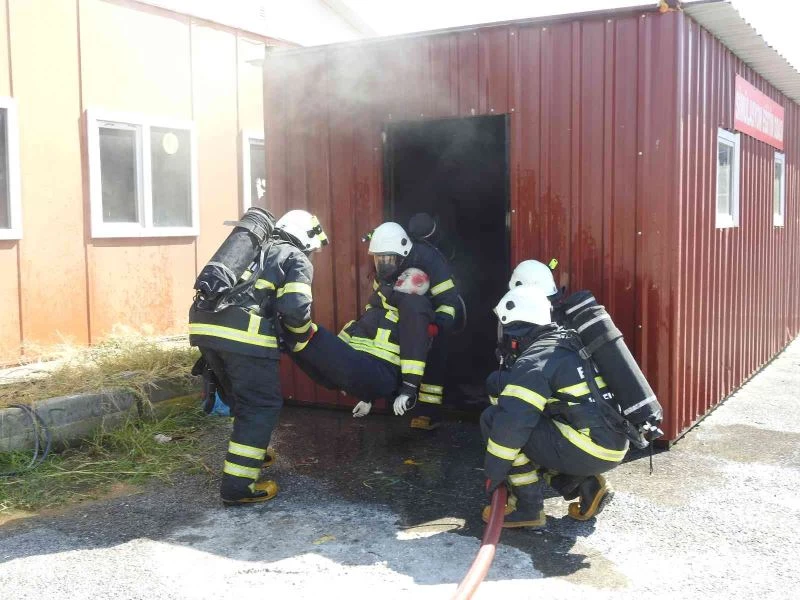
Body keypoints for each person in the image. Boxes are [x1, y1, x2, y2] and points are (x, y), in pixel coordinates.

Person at [189, 209, 328, 506]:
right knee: (260, 404)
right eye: (313, 248)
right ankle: (238, 488)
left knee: (242, 396)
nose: (313, 254)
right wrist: (303, 337)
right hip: (242, 334)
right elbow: (296, 308)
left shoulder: (255, 249)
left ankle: (255, 450)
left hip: (205, 326)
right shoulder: (295, 257)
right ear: (305, 239)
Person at [481, 286, 628, 529]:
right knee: (538, 426)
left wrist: (494, 476)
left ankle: (528, 509)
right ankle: (587, 485)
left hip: (588, 447)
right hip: (611, 441)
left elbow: (511, 428)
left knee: (496, 421)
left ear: (516, 329)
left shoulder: (534, 361)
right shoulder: (567, 341)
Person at [290, 268, 435, 417]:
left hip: (381, 373)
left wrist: (408, 389)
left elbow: (414, 348)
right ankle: (288, 340)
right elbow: (347, 340)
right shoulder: (376, 309)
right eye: (401, 274)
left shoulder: (414, 309)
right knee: (319, 370)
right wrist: (367, 399)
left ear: (418, 283)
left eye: (406, 275)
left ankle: (296, 329)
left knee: (315, 338)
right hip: (363, 371)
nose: (400, 277)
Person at [367, 221, 462, 430]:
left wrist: (439, 325)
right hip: (406, 314)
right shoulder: (383, 266)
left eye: (388, 259)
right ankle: (397, 398)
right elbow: (380, 296)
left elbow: (448, 298)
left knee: (433, 361)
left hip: (434, 312)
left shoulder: (429, 259)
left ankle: (430, 413)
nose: (384, 264)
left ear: (403, 253)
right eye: (379, 259)